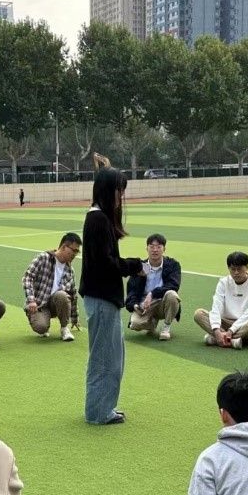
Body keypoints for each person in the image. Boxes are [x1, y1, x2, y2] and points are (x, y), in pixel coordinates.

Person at [80, 160, 143, 424]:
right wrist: (134, 266)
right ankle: (98, 412)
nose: (121, 197)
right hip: (102, 297)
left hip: (102, 297)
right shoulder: (98, 219)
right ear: (109, 191)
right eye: (119, 190)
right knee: (106, 359)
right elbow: (106, 263)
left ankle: (102, 408)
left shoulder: (98, 218)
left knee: (109, 356)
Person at [194, 251, 248, 349]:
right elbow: (216, 307)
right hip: (225, 323)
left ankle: (219, 339)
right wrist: (216, 330)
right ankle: (232, 340)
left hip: (245, 325)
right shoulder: (223, 282)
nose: (236, 273)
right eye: (233, 269)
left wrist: (231, 331)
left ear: (247, 267)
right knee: (199, 314)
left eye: (239, 269)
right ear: (229, 268)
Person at [21, 233, 81, 341]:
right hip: (38, 305)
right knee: (41, 328)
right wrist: (31, 300)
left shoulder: (70, 270)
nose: (75, 254)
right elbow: (27, 277)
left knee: (62, 295)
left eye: (77, 252)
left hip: (56, 302)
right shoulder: (43, 258)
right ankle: (42, 321)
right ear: (64, 247)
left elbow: (73, 294)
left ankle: (64, 328)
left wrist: (75, 318)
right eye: (74, 250)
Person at [126, 233, 182, 341]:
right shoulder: (141, 267)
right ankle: (152, 323)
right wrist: (135, 305)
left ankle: (166, 328)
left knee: (172, 294)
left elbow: (173, 285)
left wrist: (152, 293)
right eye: (151, 246)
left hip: (163, 302)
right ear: (146, 248)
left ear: (164, 249)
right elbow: (132, 289)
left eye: (158, 247)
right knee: (135, 324)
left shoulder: (172, 265)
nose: (155, 250)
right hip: (145, 305)